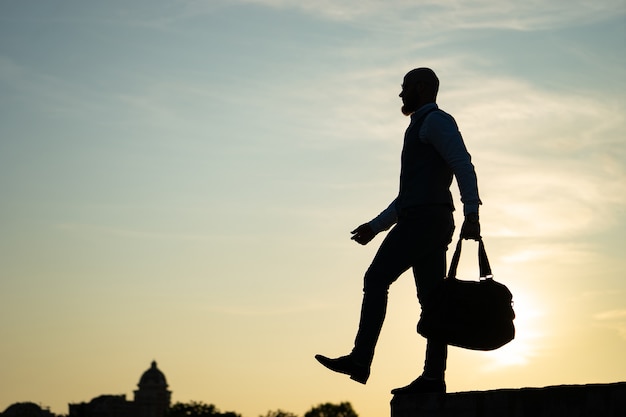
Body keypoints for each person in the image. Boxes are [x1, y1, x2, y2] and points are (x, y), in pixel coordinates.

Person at [315, 67, 482, 395]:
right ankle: (433, 378)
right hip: (426, 220)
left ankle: (361, 360)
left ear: (420, 87)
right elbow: (409, 195)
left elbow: (463, 164)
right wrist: (376, 227)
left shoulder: (435, 121)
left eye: (405, 87)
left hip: (423, 223)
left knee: (376, 279)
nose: (401, 94)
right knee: (432, 303)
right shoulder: (420, 126)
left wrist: (472, 212)